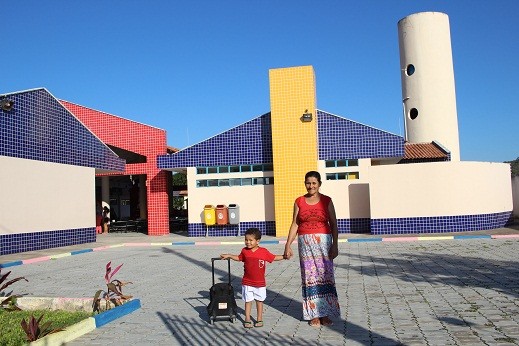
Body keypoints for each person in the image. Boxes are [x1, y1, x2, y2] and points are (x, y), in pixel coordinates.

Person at [284, 171, 340, 327]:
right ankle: (314, 314)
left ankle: (326, 313)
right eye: (308, 183)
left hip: (324, 243)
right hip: (306, 244)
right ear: (305, 184)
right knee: (310, 278)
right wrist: (288, 244)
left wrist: (335, 245)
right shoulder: (299, 201)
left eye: (314, 183)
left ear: (319, 184)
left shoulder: (327, 200)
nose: (311, 186)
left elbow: (334, 224)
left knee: (325, 276)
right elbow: (295, 224)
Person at [220, 228, 285, 328]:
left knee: (259, 301)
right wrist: (229, 255)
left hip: (260, 283)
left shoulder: (263, 251)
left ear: (257, 241)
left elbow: (273, 257)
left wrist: (284, 256)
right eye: (246, 240)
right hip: (247, 282)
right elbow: (239, 258)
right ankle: (247, 318)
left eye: (251, 240)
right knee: (248, 301)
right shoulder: (244, 251)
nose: (248, 242)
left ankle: (259, 319)